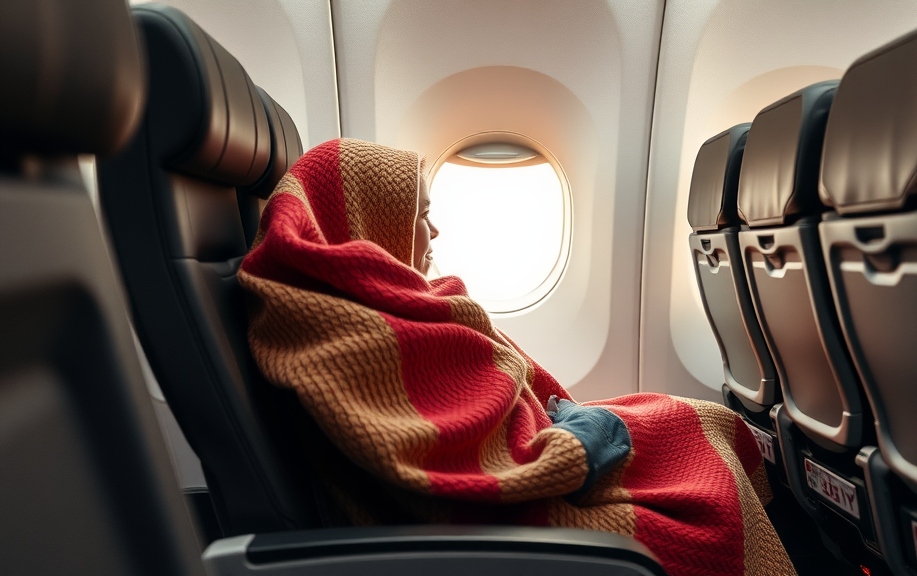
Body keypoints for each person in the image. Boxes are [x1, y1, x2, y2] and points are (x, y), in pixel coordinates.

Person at [239, 138, 795, 576]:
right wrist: (585, 436)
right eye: (420, 212)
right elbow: (460, 462)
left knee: (699, 421)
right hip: (501, 519)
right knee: (706, 497)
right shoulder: (348, 334)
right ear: (371, 218)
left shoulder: (382, 306)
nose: (435, 230)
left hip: (526, 456)